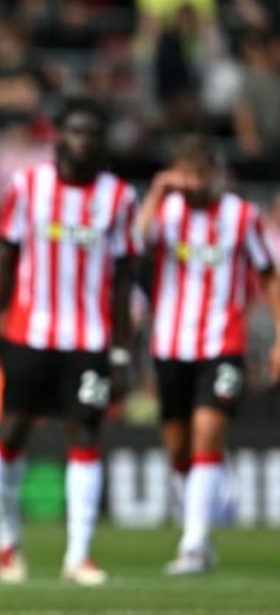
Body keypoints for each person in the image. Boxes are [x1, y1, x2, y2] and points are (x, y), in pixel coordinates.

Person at [0, 98, 139, 586]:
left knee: (85, 434)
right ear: (58, 137)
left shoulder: (119, 197)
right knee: (13, 431)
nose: (84, 141)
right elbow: (2, 261)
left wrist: (122, 351)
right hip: (28, 334)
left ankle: (79, 556)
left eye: (93, 134)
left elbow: (124, 281)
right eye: (75, 131)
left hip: (90, 340)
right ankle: (8, 542)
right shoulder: (28, 186)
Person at [135, 134, 280, 575]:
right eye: (188, 175)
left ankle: (194, 543)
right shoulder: (166, 213)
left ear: (217, 174)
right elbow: (135, 243)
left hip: (222, 343)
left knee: (207, 431)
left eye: (202, 175)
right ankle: (199, 518)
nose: (196, 184)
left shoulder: (241, 216)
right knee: (178, 446)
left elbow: (268, 275)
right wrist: (156, 193)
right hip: (169, 344)